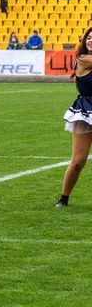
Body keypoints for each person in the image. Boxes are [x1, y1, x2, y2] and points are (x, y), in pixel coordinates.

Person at [58, 28, 92, 207]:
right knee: (78, 161)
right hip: (86, 112)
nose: (90, 41)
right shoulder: (83, 59)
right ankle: (64, 198)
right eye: (89, 37)